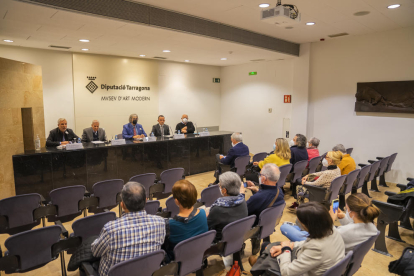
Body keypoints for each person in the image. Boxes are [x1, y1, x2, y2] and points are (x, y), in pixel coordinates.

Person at [250, 202, 345, 276]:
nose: (298, 221)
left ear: (308, 225)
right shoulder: (330, 228)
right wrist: (291, 245)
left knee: (270, 249)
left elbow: (286, 272)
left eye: (300, 220)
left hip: (304, 272)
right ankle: (260, 265)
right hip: (317, 265)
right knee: (274, 246)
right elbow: (310, 242)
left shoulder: (317, 248)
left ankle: (260, 267)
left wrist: (286, 249)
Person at [91, 182, 165, 276]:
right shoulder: (161, 222)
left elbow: (95, 252)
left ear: (122, 205)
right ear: (146, 201)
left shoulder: (111, 229)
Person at [281, 193, 379, 253]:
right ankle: (301, 230)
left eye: (347, 209)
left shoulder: (344, 232)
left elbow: (320, 238)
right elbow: (354, 226)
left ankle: (299, 229)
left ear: (352, 213)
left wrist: (331, 218)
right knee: (298, 227)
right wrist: (343, 216)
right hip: (337, 245)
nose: (346, 210)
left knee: (285, 227)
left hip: (324, 246)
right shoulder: (372, 227)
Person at [207, 171, 248, 271]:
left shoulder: (218, 208)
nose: (218, 187)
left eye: (219, 185)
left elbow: (207, 226)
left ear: (224, 190)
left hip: (220, 242)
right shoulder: (242, 201)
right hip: (238, 237)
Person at [243, 163, 285, 253]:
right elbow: (267, 197)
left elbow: (242, 211)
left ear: (264, 178)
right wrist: (257, 190)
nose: (259, 176)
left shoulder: (257, 198)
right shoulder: (279, 191)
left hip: (254, 225)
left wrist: (241, 194)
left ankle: (241, 246)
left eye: (260, 174)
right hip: (269, 221)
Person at [166, 180, 208, 260]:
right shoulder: (203, 213)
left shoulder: (170, 224)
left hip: (178, 260)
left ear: (176, 201)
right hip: (200, 254)